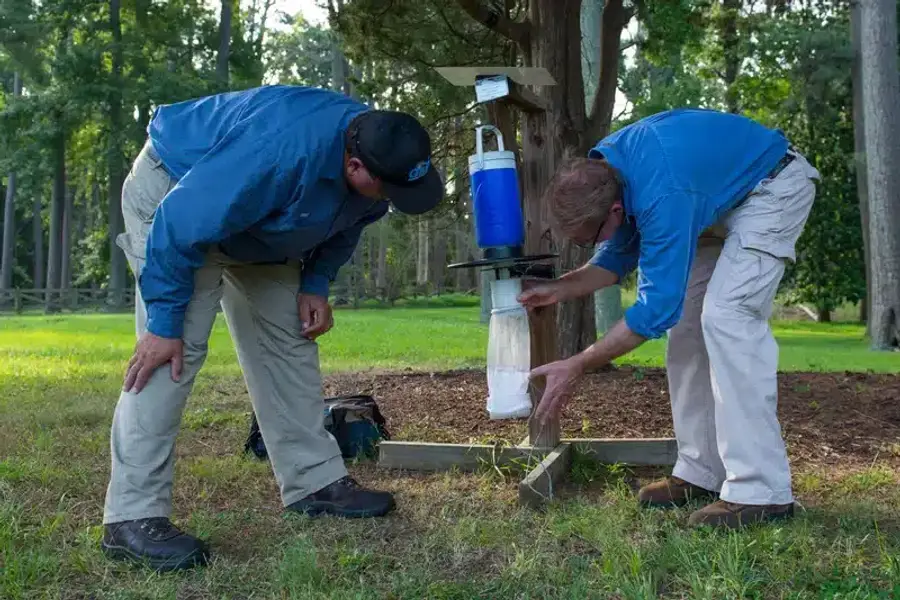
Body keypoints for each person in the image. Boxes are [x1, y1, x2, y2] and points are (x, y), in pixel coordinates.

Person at [101, 84, 443, 571]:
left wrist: (317, 281)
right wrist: (162, 323)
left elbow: (353, 218)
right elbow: (180, 221)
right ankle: (130, 518)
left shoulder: (382, 150)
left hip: (261, 220)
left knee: (289, 340)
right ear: (353, 167)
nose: (390, 200)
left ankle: (314, 482)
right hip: (176, 194)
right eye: (388, 189)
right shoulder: (276, 153)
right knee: (172, 353)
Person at [518, 108, 819, 529]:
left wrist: (579, 364)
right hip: (716, 202)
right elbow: (619, 255)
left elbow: (654, 310)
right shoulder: (608, 171)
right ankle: (702, 473)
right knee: (688, 331)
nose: (591, 246)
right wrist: (560, 288)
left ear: (617, 211)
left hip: (772, 187)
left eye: (589, 239)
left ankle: (762, 492)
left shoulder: (663, 194)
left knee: (727, 318)